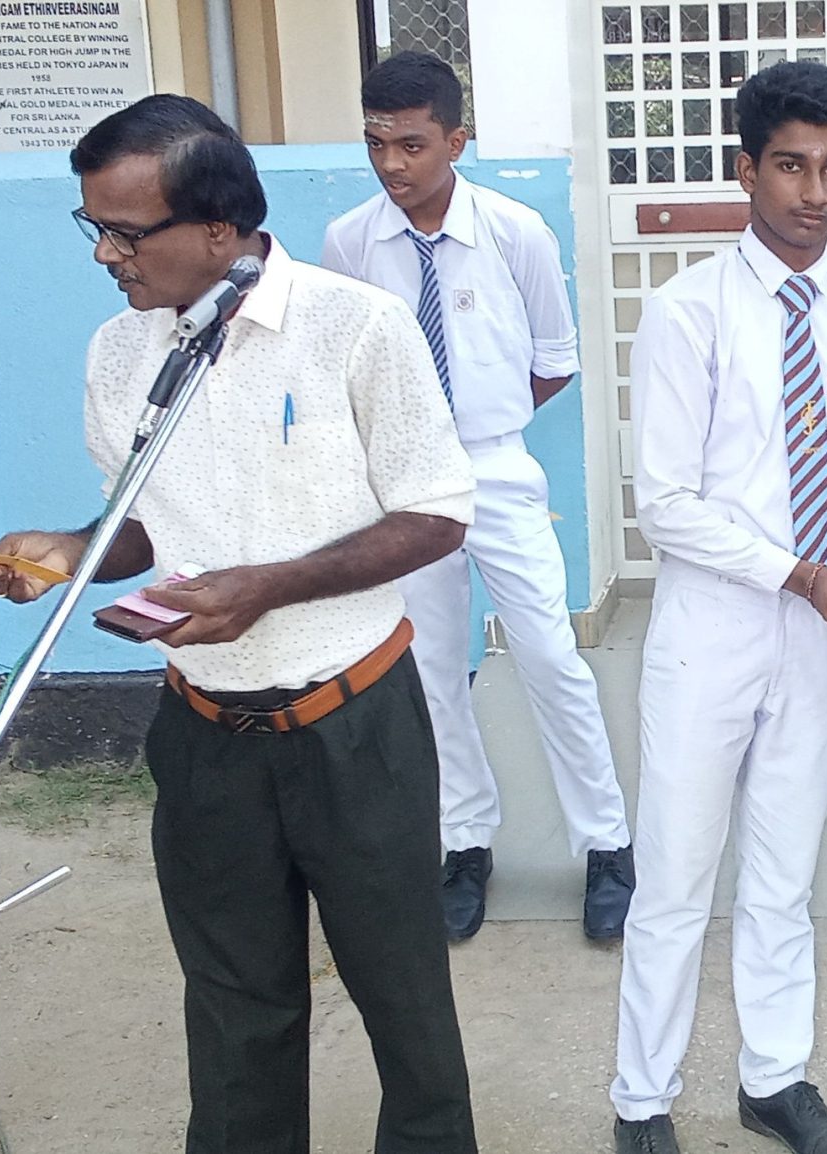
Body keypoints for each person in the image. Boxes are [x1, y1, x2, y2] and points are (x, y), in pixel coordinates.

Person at [0, 95, 479, 1154]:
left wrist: (267, 587)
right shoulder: (120, 350)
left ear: (218, 228)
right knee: (235, 1007)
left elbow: (435, 516)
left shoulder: (357, 326)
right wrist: (70, 550)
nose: (103, 254)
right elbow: (144, 521)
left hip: (355, 726)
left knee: (405, 1002)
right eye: (93, 227)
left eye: (124, 232)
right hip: (203, 732)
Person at [609, 61, 827, 1154]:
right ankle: (641, 1100)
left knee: (784, 874)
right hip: (713, 631)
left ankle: (774, 1080)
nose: (815, 192)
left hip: (822, 638)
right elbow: (666, 504)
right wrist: (801, 573)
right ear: (746, 170)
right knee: (675, 875)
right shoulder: (686, 311)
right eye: (791, 165)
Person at [322, 50, 635, 944]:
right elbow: (348, 366)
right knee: (429, 668)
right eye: (376, 143)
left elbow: (554, 361)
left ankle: (607, 844)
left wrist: (477, 426)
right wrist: (415, 443)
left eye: (412, 144)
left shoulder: (513, 231)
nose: (391, 164)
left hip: (494, 468)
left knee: (548, 653)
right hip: (401, 483)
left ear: (457, 141)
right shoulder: (351, 241)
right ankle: (465, 842)